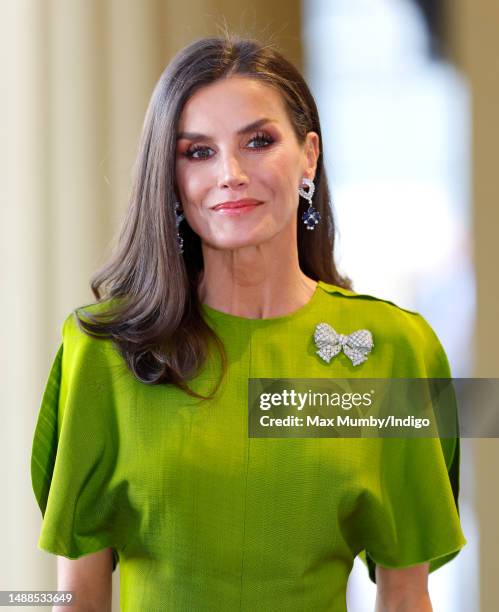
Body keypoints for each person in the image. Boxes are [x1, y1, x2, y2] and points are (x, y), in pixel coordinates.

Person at [31, 34, 466, 611]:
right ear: (170, 175)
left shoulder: (394, 353)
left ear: (309, 154)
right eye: (198, 151)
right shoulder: (103, 354)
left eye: (258, 141)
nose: (230, 173)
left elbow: (407, 596)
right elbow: (78, 600)